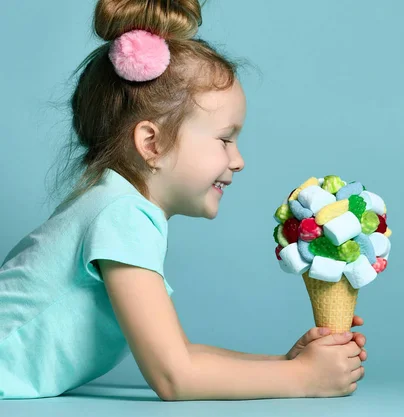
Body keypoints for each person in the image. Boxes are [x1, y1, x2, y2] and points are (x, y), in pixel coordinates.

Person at [0, 0, 367, 401]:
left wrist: (285, 363)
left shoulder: (116, 206)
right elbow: (175, 376)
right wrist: (303, 379)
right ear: (151, 143)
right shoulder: (122, 214)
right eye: (225, 139)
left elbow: (180, 353)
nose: (239, 161)